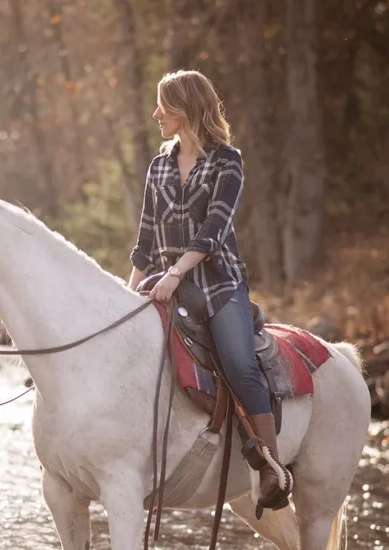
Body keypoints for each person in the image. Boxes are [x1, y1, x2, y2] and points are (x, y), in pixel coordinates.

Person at [128, 69, 289, 512]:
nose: (157, 113)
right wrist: (129, 297)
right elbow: (144, 240)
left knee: (238, 362)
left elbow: (215, 228)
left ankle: (271, 466)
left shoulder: (227, 160)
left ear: (186, 108)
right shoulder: (158, 166)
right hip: (161, 285)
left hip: (218, 285)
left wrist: (177, 272)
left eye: (164, 104)